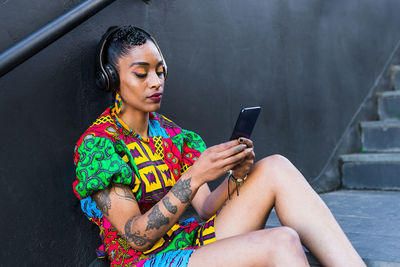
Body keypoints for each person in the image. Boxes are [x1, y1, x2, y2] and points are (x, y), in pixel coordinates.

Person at [73, 25, 365, 267]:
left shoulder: (172, 134)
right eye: (141, 73)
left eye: (160, 71)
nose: (156, 82)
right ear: (111, 79)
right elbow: (136, 237)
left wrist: (235, 175)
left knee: (276, 167)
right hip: (144, 261)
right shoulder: (99, 145)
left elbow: (205, 209)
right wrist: (196, 174)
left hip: (190, 244)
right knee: (282, 240)